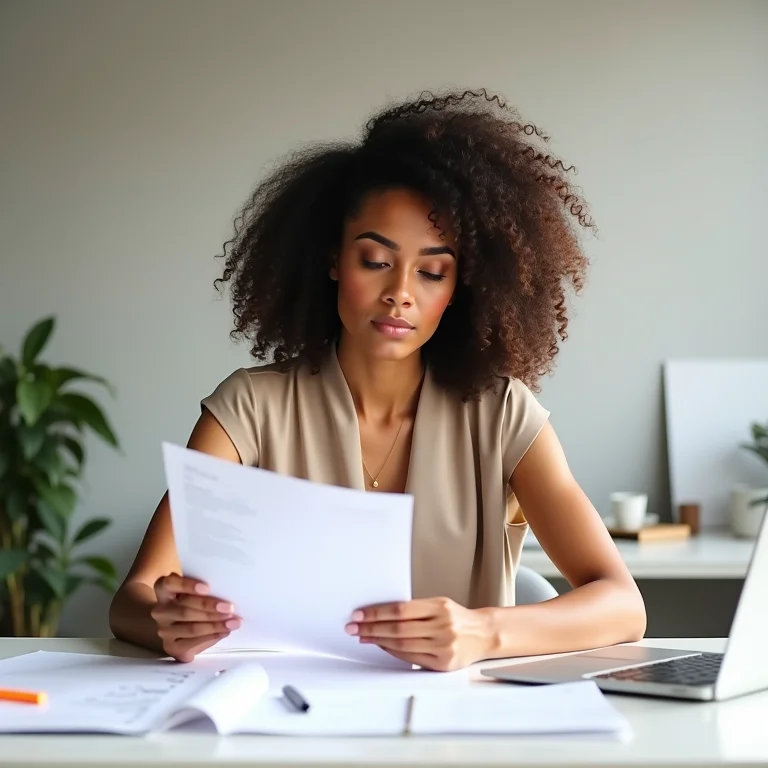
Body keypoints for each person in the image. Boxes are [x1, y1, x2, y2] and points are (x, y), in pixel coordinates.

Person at [109, 88, 646, 670]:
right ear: (334, 260)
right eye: (375, 260)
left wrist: (483, 633)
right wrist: (170, 624)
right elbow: (133, 599)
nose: (401, 293)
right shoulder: (250, 410)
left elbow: (623, 604)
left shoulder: (502, 415)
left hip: (467, 737)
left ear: (461, 288)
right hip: (294, 728)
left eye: (433, 271)